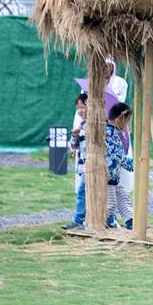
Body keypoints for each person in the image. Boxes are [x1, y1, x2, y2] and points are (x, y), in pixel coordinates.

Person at [105, 102, 134, 230]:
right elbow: (116, 155)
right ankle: (99, 224)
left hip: (113, 176)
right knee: (110, 204)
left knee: (123, 196)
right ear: (121, 118)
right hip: (107, 176)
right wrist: (133, 165)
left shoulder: (114, 132)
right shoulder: (110, 133)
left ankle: (131, 221)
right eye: (127, 121)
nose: (127, 124)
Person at [62, 92, 88, 230]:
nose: (80, 110)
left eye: (83, 107)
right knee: (82, 193)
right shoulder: (81, 125)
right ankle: (79, 220)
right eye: (78, 108)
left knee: (84, 193)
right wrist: (74, 136)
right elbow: (74, 147)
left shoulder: (97, 124)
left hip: (94, 167)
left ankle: (79, 220)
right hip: (84, 167)